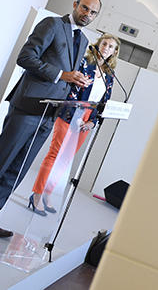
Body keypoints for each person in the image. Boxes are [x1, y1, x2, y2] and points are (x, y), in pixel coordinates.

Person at [0, 0, 101, 243]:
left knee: (18, 169)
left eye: (93, 12)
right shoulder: (52, 25)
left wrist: (76, 81)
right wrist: (61, 75)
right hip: (27, 106)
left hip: (50, 113)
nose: (87, 14)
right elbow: (25, 57)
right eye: (85, 8)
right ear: (75, 5)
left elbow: (68, 74)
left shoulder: (84, 39)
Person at [28, 33, 119, 214]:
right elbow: (70, 89)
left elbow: (104, 101)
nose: (106, 48)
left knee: (66, 159)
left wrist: (92, 122)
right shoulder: (84, 63)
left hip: (87, 118)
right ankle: (36, 194)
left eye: (110, 46)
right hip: (70, 113)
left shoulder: (110, 75)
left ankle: (48, 193)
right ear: (98, 45)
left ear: (114, 52)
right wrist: (76, 113)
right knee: (54, 154)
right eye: (104, 44)